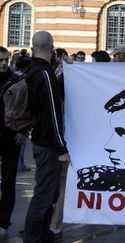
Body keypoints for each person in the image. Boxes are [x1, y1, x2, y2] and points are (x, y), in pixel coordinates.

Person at [23, 30, 70, 243]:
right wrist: (62, 148)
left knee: (49, 193)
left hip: (40, 140)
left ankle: (42, 234)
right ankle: (34, 237)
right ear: (51, 47)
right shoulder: (44, 74)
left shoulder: (32, 71)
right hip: (48, 144)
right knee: (44, 195)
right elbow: (53, 114)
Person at [0, 46, 21, 238]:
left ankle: (3, 221)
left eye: (6, 59)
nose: (4, 63)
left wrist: (22, 131)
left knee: (8, 182)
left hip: (9, 136)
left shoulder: (16, 80)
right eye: (0, 60)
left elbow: (26, 108)